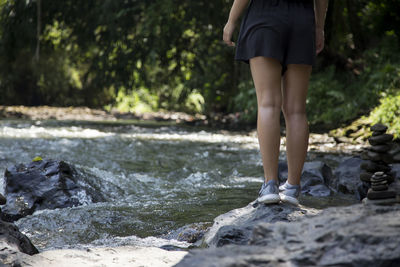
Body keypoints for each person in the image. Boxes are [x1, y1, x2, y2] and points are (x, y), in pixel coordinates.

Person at [223, 0, 328, 205]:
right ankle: (292, 188)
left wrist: (231, 20)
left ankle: (270, 184)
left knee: (268, 104)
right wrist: (318, 27)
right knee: (296, 110)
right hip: (302, 19)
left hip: (264, 16)